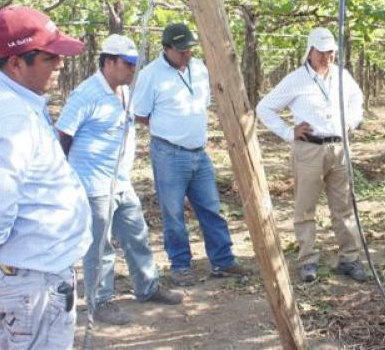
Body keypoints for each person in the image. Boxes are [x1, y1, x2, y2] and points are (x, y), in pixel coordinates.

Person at [0, 6, 92, 349]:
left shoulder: (12, 100)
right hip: (33, 278)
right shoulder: (11, 116)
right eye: (50, 57)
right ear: (16, 63)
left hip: (35, 273)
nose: (60, 64)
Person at [56, 34, 184, 325]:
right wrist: (64, 179)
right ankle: (100, 301)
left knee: (137, 234)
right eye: (127, 63)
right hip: (94, 184)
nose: (132, 69)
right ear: (108, 62)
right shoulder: (86, 94)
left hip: (121, 182)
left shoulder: (125, 91)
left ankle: (147, 286)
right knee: (100, 246)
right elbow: (63, 135)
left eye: (135, 64)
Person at [132, 23, 248, 286]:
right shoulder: (151, 75)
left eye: (190, 49)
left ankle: (223, 260)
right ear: (166, 48)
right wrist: (168, 129)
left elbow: (202, 104)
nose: (187, 54)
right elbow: (140, 114)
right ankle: (180, 265)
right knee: (173, 213)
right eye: (181, 50)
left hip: (199, 152)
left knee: (211, 208)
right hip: (169, 153)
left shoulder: (199, 69)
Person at [256, 27, 367, 283]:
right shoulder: (296, 79)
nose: (326, 58)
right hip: (309, 149)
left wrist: (351, 121)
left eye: (330, 53)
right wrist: (288, 132)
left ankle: (349, 258)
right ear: (310, 51)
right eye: (321, 53)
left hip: (339, 148)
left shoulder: (342, 76)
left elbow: (356, 98)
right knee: (305, 207)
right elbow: (265, 107)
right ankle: (307, 260)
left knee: (343, 206)